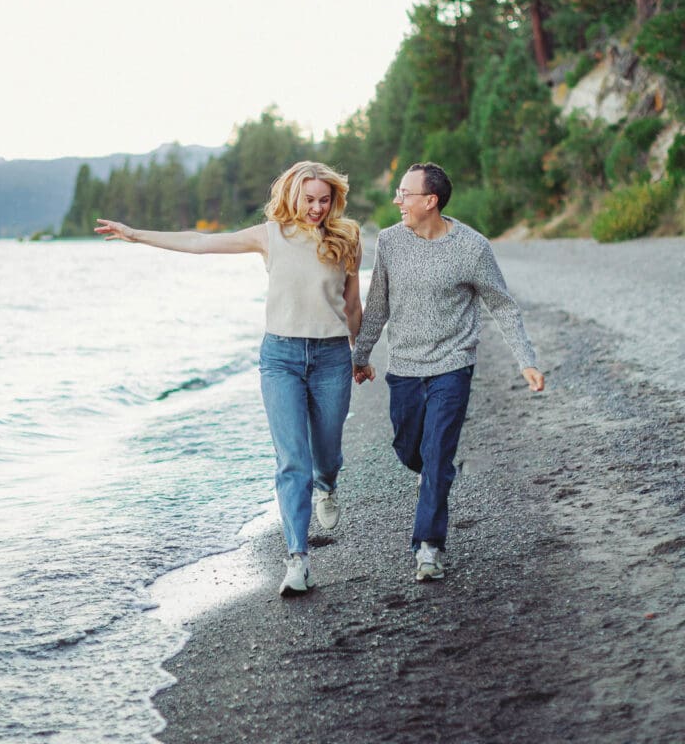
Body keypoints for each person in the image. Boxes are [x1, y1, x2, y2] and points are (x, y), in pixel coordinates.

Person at [95, 160, 362, 597]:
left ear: (334, 200)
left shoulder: (347, 237)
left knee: (326, 455)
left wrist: (361, 353)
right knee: (292, 460)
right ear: (292, 196)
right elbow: (200, 242)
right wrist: (137, 234)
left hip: (332, 356)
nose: (316, 208)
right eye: (309, 199)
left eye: (324, 200)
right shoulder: (270, 234)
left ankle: (327, 484)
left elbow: (351, 306)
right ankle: (297, 559)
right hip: (281, 358)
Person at [352, 162, 544, 583]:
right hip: (403, 366)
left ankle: (429, 546)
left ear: (430, 201)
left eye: (404, 193)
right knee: (409, 450)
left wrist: (525, 359)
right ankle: (438, 475)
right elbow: (378, 305)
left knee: (438, 454)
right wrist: (360, 355)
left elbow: (502, 305)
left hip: (453, 365)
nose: (396, 200)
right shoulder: (389, 242)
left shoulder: (472, 248)